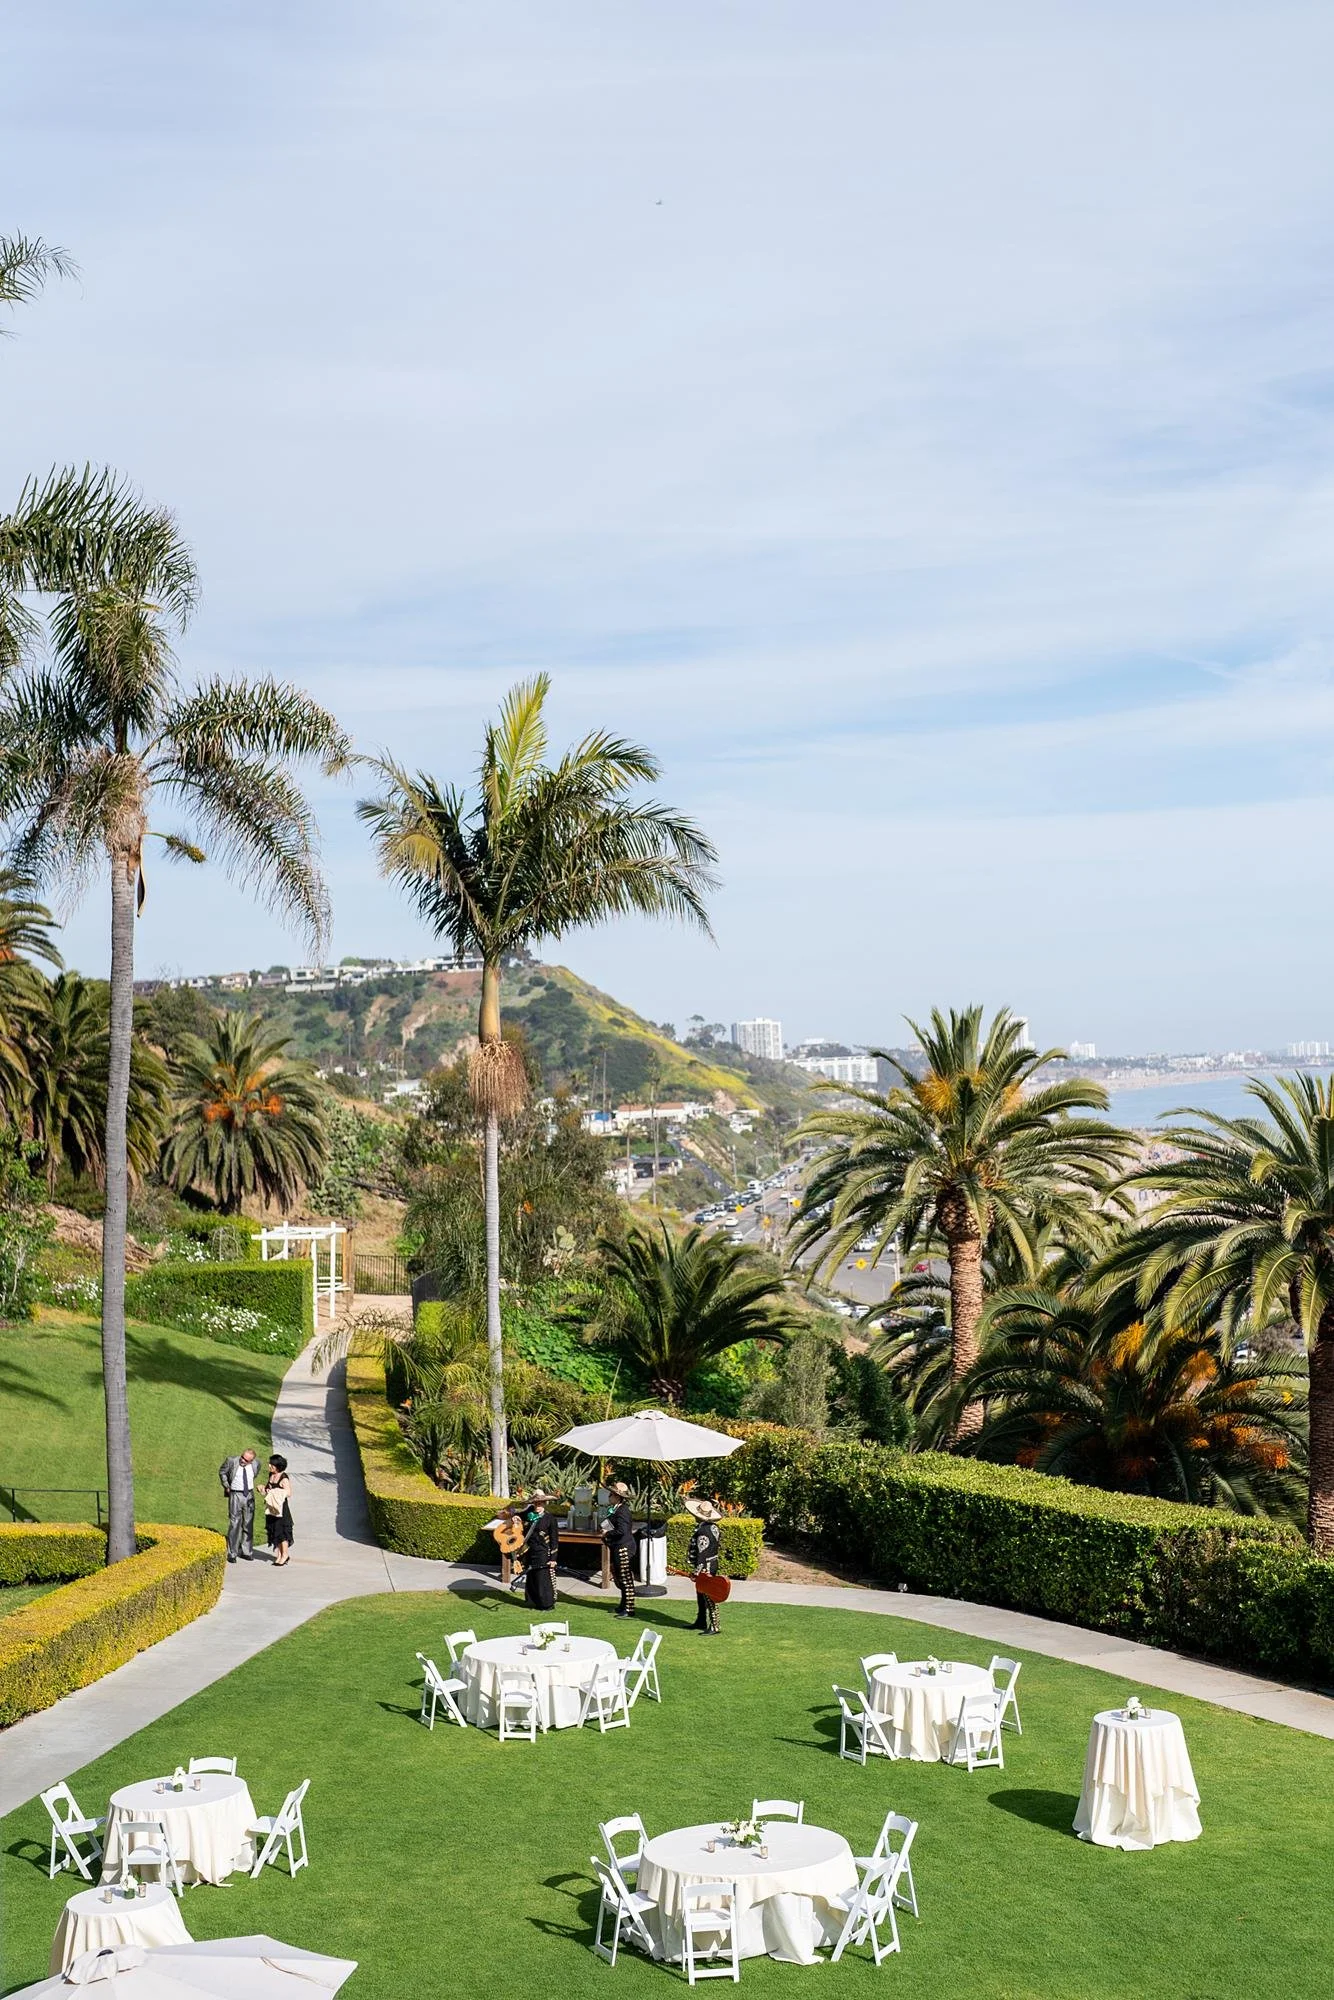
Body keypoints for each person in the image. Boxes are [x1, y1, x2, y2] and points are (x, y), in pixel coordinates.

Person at [685, 1496, 723, 1633]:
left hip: (706, 1567)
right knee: (701, 1594)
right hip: (712, 1563)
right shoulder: (714, 1527)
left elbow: (702, 1554)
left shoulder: (703, 1531)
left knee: (709, 1596)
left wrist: (696, 1572)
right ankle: (701, 1621)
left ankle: (714, 1625)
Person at [520, 1492, 559, 1612]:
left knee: (542, 1579)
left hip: (543, 1551)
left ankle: (547, 1604)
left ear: (545, 1503)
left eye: (540, 1503)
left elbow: (554, 1539)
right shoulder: (528, 1515)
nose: (538, 1505)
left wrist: (553, 1559)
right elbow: (517, 1515)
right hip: (530, 1551)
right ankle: (534, 1601)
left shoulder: (550, 1518)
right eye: (536, 1503)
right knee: (532, 1577)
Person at [603, 1479, 636, 1618]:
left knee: (625, 1579)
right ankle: (623, 1605)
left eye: (611, 1494)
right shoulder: (617, 1509)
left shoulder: (622, 1511)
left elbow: (622, 1530)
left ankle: (629, 1608)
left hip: (624, 1548)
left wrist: (607, 1533)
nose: (609, 1496)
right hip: (619, 1546)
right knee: (620, 1577)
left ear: (617, 1497)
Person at [218, 1447, 258, 1562]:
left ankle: (247, 1551)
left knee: (248, 1524)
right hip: (235, 1495)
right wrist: (226, 1485)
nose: (243, 1460)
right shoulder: (232, 1461)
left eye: (246, 1460)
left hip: (249, 1495)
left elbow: (255, 1474)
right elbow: (222, 1472)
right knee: (234, 1524)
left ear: (251, 1461)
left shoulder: (256, 1464)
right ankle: (232, 1553)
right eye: (242, 1457)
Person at [262, 1454, 295, 1567]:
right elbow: (268, 1489)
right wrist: (263, 1489)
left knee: (282, 1532)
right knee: (275, 1531)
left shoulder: (283, 1478)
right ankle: (279, 1554)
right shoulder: (271, 1475)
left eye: (272, 1464)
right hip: (272, 1509)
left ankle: (284, 1555)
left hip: (281, 1510)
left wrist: (274, 1491)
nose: (269, 1466)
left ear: (278, 1466)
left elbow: (289, 1493)